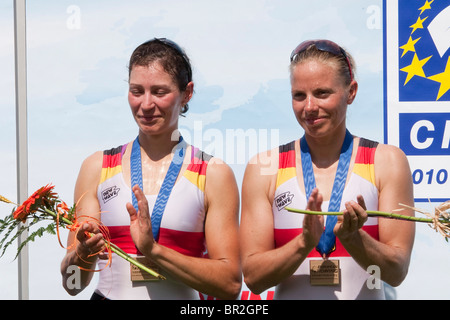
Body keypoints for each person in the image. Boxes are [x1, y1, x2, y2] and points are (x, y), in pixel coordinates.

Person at [60, 38, 241, 300]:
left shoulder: (212, 173)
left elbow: (230, 286)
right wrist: (82, 256)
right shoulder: (97, 167)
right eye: (136, 91)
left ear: (187, 93)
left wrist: (153, 250)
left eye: (159, 92)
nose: (146, 105)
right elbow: (73, 285)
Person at [240, 39, 415, 299]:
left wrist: (355, 239)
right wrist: (304, 243)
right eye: (299, 95)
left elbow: (395, 272)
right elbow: (254, 278)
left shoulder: (386, 161)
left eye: (322, 93)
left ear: (351, 92)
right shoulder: (265, 167)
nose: (309, 107)